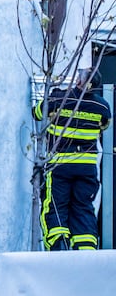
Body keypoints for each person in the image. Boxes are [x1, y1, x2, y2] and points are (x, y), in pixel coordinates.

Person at [33, 68, 111, 250]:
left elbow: (37, 113)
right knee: (83, 207)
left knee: (55, 206)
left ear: (78, 82)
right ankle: (86, 250)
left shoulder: (58, 99)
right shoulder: (103, 107)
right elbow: (104, 125)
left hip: (60, 165)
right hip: (86, 167)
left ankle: (59, 247)